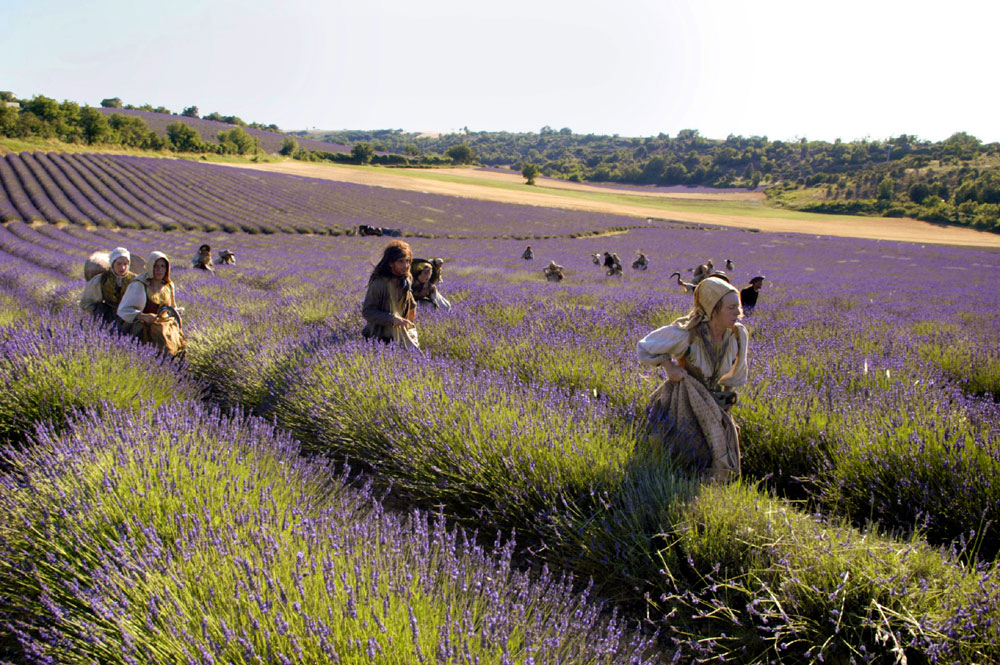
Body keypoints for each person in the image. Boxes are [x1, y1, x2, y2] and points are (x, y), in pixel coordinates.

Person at [636, 276, 748, 482]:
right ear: (714, 309)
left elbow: (734, 374)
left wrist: (727, 398)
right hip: (684, 398)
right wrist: (668, 366)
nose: (738, 313)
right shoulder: (686, 335)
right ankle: (676, 485)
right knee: (684, 450)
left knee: (721, 444)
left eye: (738, 307)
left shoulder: (737, 335)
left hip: (714, 400)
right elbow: (644, 347)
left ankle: (713, 489)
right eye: (731, 308)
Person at [118, 252, 186, 357]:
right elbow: (123, 310)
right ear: (150, 267)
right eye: (156, 266)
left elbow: (172, 307)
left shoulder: (168, 286)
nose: (160, 270)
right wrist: (142, 316)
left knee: (177, 347)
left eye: (163, 266)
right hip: (145, 328)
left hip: (164, 325)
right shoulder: (139, 285)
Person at [362, 240, 419, 349]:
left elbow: (410, 302)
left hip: (401, 332)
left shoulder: (406, 279)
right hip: (381, 335)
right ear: (390, 263)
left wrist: (410, 323)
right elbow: (367, 312)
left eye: (407, 261)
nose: (405, 265)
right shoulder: (379, 283)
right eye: (400, 261)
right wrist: (392, 319)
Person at [80, 246, 136, 326]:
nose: (122, 268)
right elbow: (87, 301)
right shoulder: (102, 279)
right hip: (108, 314)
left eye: (125, 264)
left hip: (128, 315)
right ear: (113, 263)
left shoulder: (134, 280)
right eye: (119, 264)